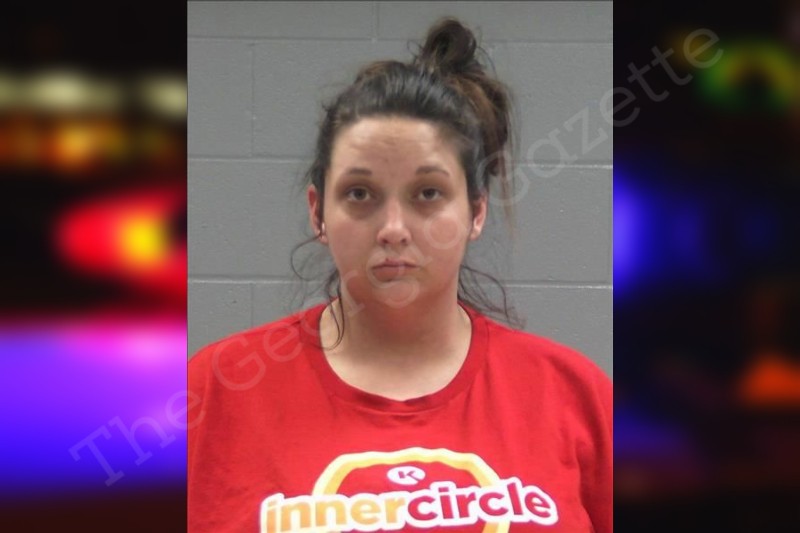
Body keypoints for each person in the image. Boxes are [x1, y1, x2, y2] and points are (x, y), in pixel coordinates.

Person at [188, 17, 612, 533]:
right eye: (360, 194)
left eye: (428, 193)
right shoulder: (214, 392)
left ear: (476, 211)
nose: (393, 229)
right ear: (318, 212)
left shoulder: (576, 396)